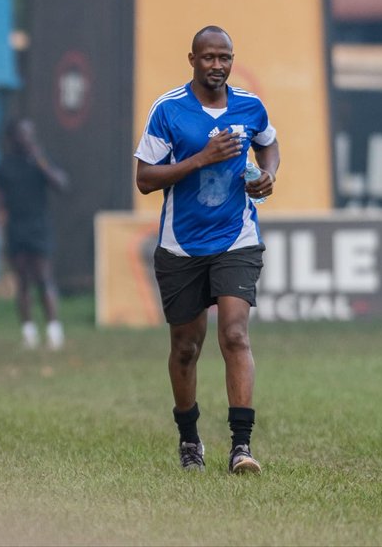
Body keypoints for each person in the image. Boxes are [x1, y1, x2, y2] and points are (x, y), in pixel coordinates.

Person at [134, 25, 279, 475]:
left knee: (234, 334)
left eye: (225, 57)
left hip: (237, 238)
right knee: (185, 348)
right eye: (209, 57)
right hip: (181, 246)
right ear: (192, 59)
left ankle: (241, 446)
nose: (217, 65)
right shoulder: (169, 110)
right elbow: (144, 179)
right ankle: (190, 439)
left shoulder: (249, 106)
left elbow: (268, 143)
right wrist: (202, 158)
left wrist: (268, 175)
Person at [0, 118, 69, 350]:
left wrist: (41, 162)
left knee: (44, 277)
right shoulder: (5, 166)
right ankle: (29, 333)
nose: (27, 138)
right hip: (16, 227)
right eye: (23, 134)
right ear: (13, 138)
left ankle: (54, 331)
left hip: (39, 227)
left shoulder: (41, 160)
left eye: (30, 134)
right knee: (22, 281)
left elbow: (62, 184)